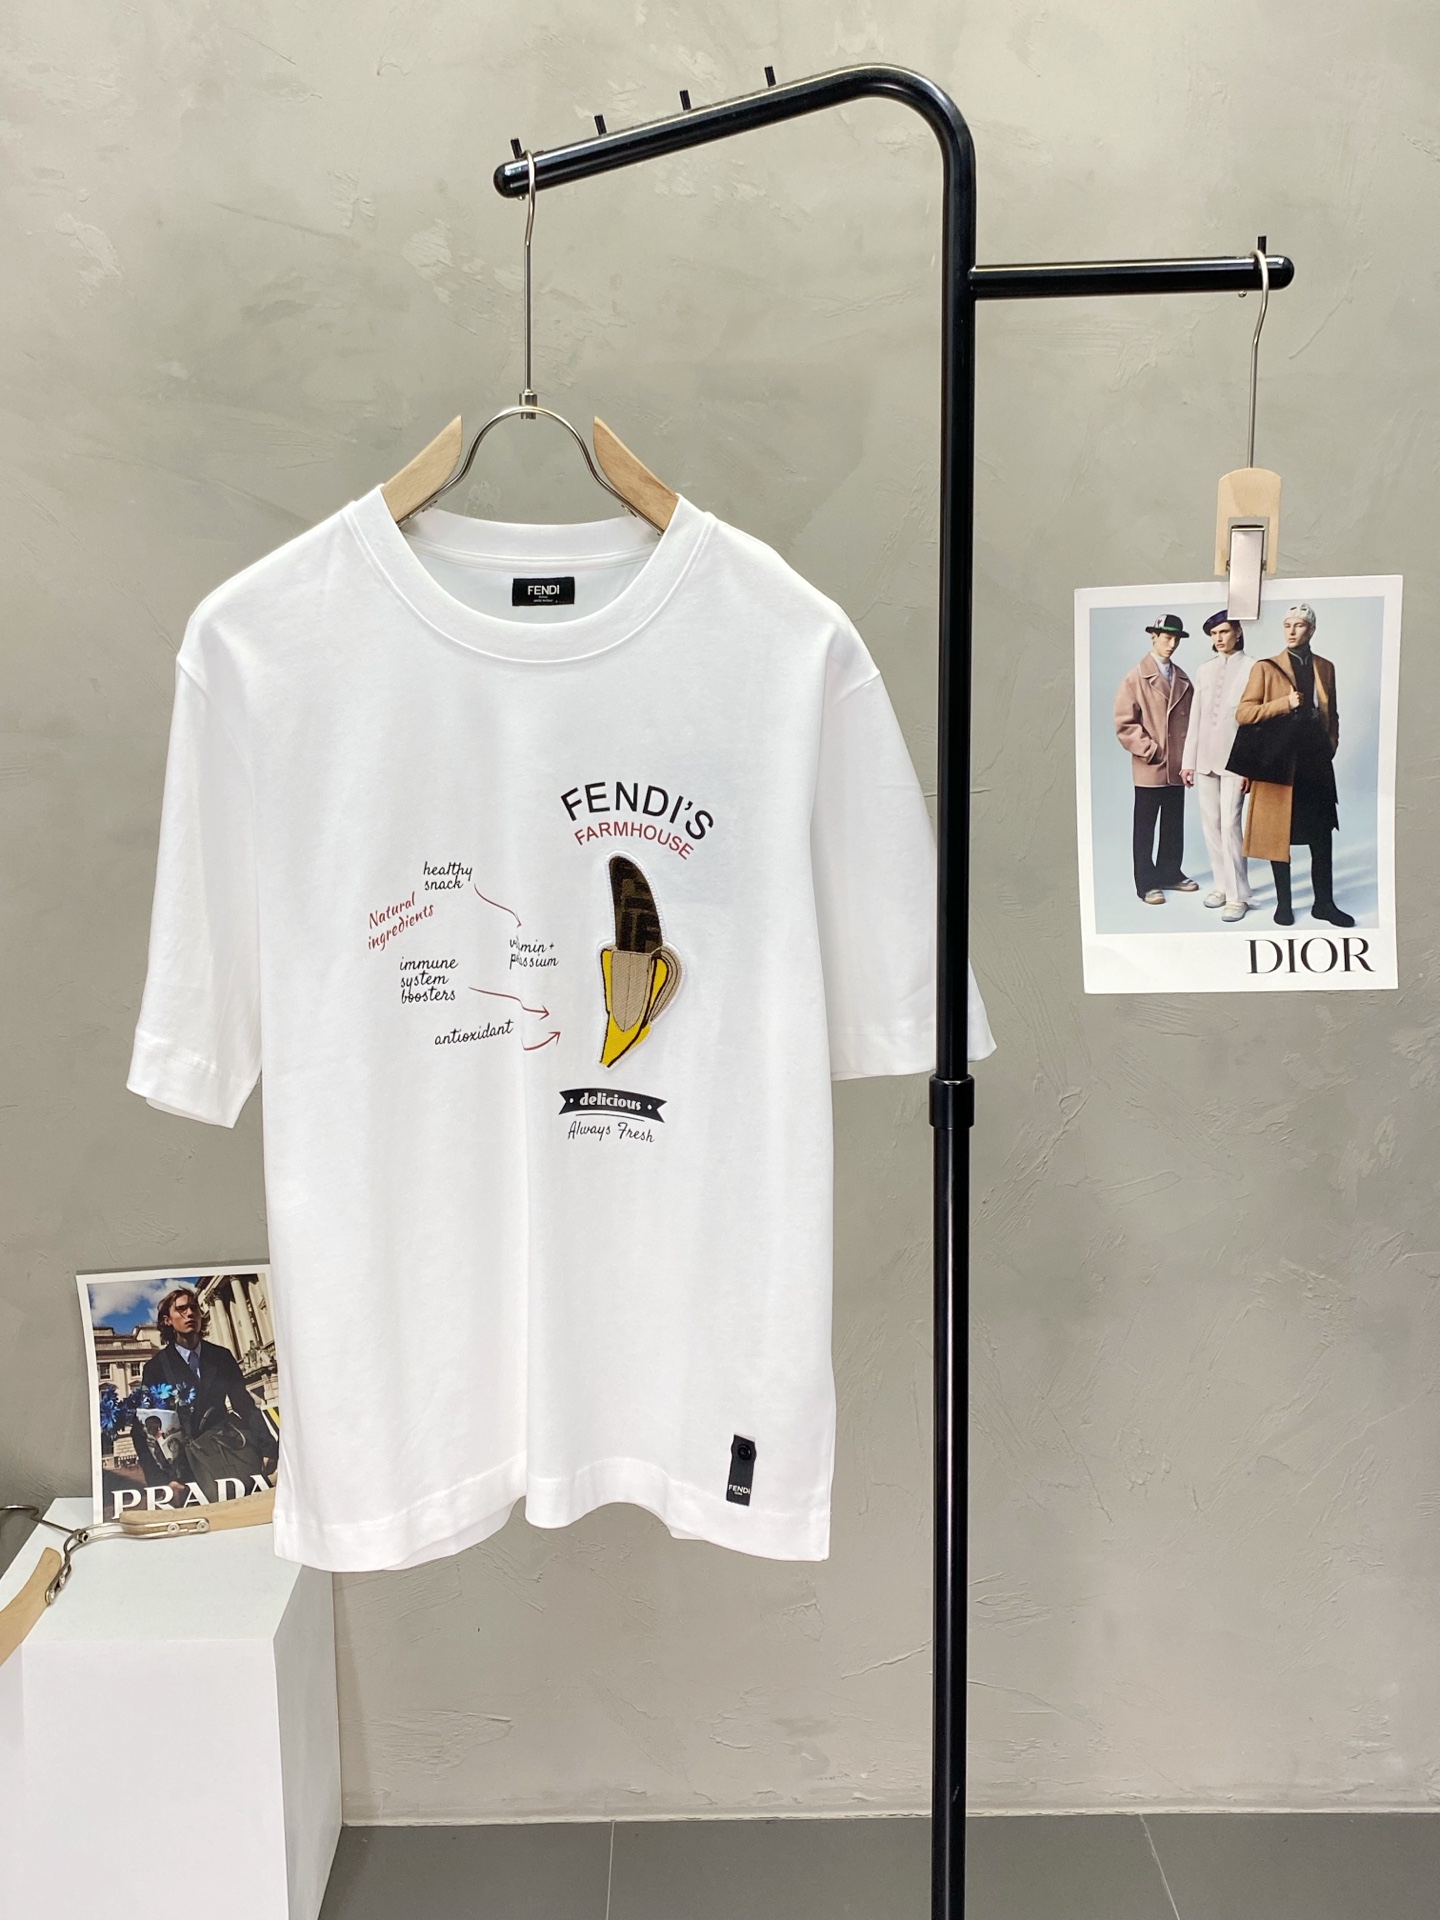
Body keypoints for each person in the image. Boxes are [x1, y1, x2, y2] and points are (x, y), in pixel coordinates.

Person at [1231, 602, 1352, 928]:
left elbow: (1332, 714)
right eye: (1287, 625)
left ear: (1311, 630)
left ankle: (1324, 904)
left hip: (1314, 761)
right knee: (1278, 834)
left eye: (1299, 625)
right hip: (1278, 761)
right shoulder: (1265, 668)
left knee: (1321, 834)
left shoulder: (1326, 666)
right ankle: (1283, 905)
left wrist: (1330, 746)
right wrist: (1283, 703)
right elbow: (1244, 713)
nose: (1292, 631)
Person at [141, 1286, 278, 1499]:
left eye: (194, 1308)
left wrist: (269, 1447)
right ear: (167, 1320)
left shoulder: (221, 1356)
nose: (190, 1313)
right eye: (182, 1309)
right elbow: (145, 1427)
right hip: (186, 1467)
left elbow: (244, 1404)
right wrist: (161, 1480)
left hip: (229, 1449)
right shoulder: (156, 1367)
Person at [1113, 614, 1199, 904]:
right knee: (1145, 827)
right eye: (1166, 637)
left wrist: (1189, 759)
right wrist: (1151, 750)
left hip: (1177, 766)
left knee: (1174, 824)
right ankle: (1146, 883)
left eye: (1176, 639)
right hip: (1151, 764)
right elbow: (1125, 723)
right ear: (1154, 637)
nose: (1171, 644)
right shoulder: (1135, 677)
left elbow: (1193, 722)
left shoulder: (1183, 678)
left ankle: (1170, 873)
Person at [1181, 611, 1254, 921]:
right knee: (1211, 824)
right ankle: (1222, 886)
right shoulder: (1204, 670)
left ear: (1238, 632)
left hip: (1236, 759)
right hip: (1205, 758)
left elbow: (1255, 724)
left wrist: (1250, 766)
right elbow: (1196, 717)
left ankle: (1238, 896)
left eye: (1224, 631)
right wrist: (1188, 762)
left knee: (1230, 825)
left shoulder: (1253, 667)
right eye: (1214, 634)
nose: (1219, 638)